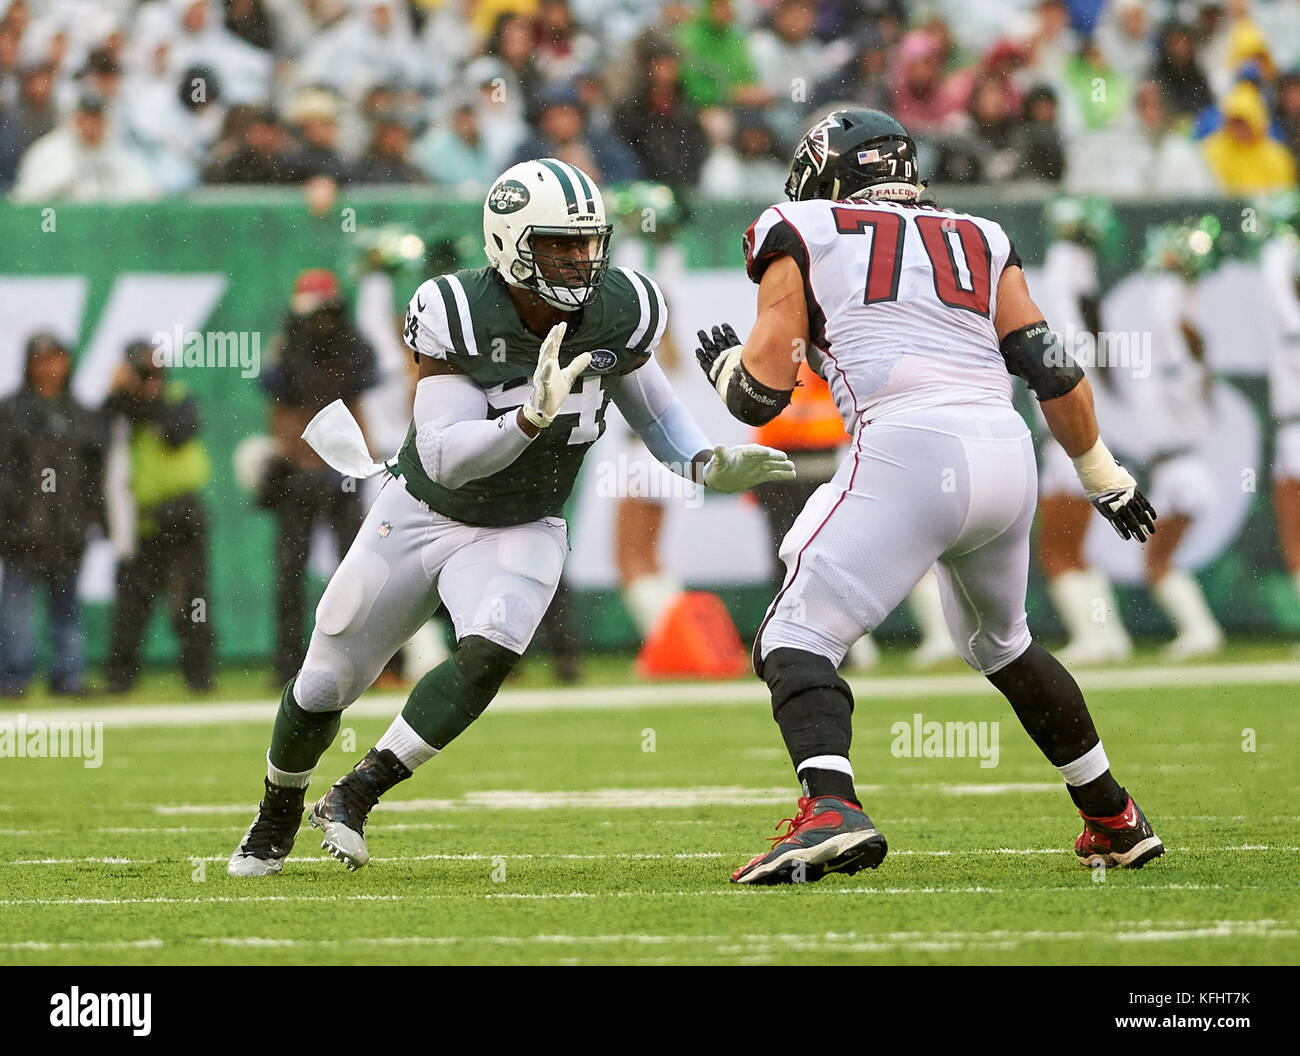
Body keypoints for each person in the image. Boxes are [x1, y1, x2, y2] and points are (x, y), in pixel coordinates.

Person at [227, 158, 794, 876]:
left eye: (588, 242)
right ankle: (276, 812)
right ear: (509, 241)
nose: (580, 259)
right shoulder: (460, 311)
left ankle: (359, 790)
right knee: (324, 682)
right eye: (559, 243)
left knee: (493, 643)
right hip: (423, 512)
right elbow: (444, 456)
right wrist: (527, 418)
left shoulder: (621, 308)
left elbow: (656, 415)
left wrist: (706, 463)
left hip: (524, 521)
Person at [694, 109, 1163, 885]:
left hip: (907, 450)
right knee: (1003, 644)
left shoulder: (798, 225)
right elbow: (1053, 370)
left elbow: (760, 396)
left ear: (828, 172)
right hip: (1005, 453)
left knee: (794, 634)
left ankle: (830, 809)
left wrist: (723, 376)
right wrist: (1102, 475)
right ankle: (1113, 814)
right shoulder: (980, 235)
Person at [260, 269, 378, 687]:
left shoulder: (350, 346)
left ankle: (361, 661)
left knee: (354, 570)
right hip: (299, 474)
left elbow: (359, 393)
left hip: (342, 473)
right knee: (290, 575)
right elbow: (281, 404)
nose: (322, 321)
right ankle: (288, 665)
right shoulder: (287, 349)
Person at [1033, 197, 1132, 664]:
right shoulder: (1092, 332)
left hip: (1066, 449)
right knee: (1074, 548)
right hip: (1087, 447)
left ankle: (1095, 639)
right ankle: (1109, 635)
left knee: (1056, 549)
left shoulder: (1065, 334)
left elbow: (1064, 320)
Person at [1131, 222, 1226, 659]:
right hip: (1176, 472)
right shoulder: (1189, 368)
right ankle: (1200, 629)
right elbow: (1174, 326)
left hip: (1183, 474)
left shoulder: (1180, 366)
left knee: (1155, 563)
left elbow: (1169, 323)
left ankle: (1202, 631)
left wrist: (1171, 276)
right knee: (1155, 562)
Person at [104, 340, 214, 693]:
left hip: (183, 515)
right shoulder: (122, 408)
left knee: (191, 603)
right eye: (143, 372)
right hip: (143, 520)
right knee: (131, 605)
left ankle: (199, 675)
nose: (151, 379)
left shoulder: (179, 397)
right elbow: (93, 433)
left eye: (155, 372)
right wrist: (118, 394)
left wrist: (142, 397)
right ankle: (121, 678)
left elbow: (175, 433)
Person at [0, 333, 103, 697]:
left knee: (67, 610)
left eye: (57, 358)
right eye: (43, 359)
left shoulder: (78, 413)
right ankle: (13, 679)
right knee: (15, 614)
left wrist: (88, 517)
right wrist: (14, 519)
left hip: (67, 531)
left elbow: (93, 472)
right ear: (30, 364)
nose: (51, 367)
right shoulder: (10, 411)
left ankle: (68, 677)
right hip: (20, 533)